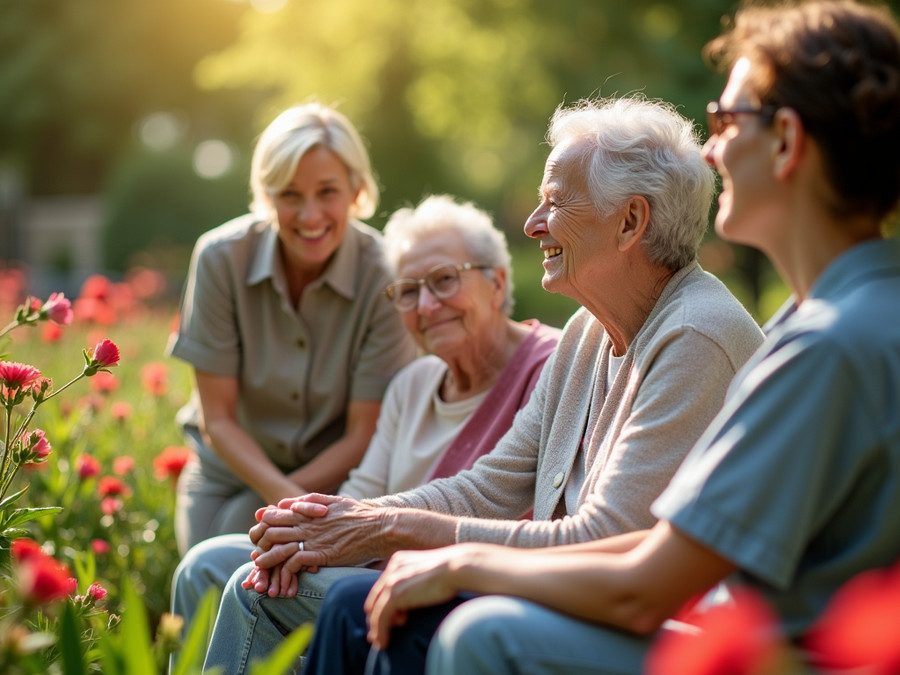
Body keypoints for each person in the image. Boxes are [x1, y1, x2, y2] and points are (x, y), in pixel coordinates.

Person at [306, 2, 900, 673]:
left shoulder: (820, 345)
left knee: (477, 631)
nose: (711, 149)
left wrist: (460, 559)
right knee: (380, 606)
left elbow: (646, 579)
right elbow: (644, 545)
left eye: (727, 120)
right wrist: (366, 521)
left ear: (787, 142)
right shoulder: (836, 321)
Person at [202, 96, 765, 673]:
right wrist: (349, 520)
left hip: (665, 634)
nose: (531, 224)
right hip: (564, 600)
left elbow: (607, 540)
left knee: (364, 607)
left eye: (556, 202)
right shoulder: (586, 334)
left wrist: (390, 529)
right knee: (269, 585)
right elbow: (489, 486)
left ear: (630, 222)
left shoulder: (696, 335)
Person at [169, 194, 560, 625]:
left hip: (452, 585)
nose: (427, 306)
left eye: (445, 280)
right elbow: (362, 490)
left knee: (250, 585)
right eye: (408, 292)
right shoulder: (412, 384)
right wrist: (299, 534)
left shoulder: (551, 368)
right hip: (366, 562)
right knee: (203, 566)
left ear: (497, 282)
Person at [167, 103, 416, 555]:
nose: (310, 215)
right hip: (227, 469)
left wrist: (286, 507)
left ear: (356, 191)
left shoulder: (386, 273)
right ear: (267, 196)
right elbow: (217, 419)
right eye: (289, 195)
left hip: (334, 479)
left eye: (327, 192)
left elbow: (364, 433)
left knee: (262, 589)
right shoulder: (219, 259)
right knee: (202, 576)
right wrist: (277, 500)